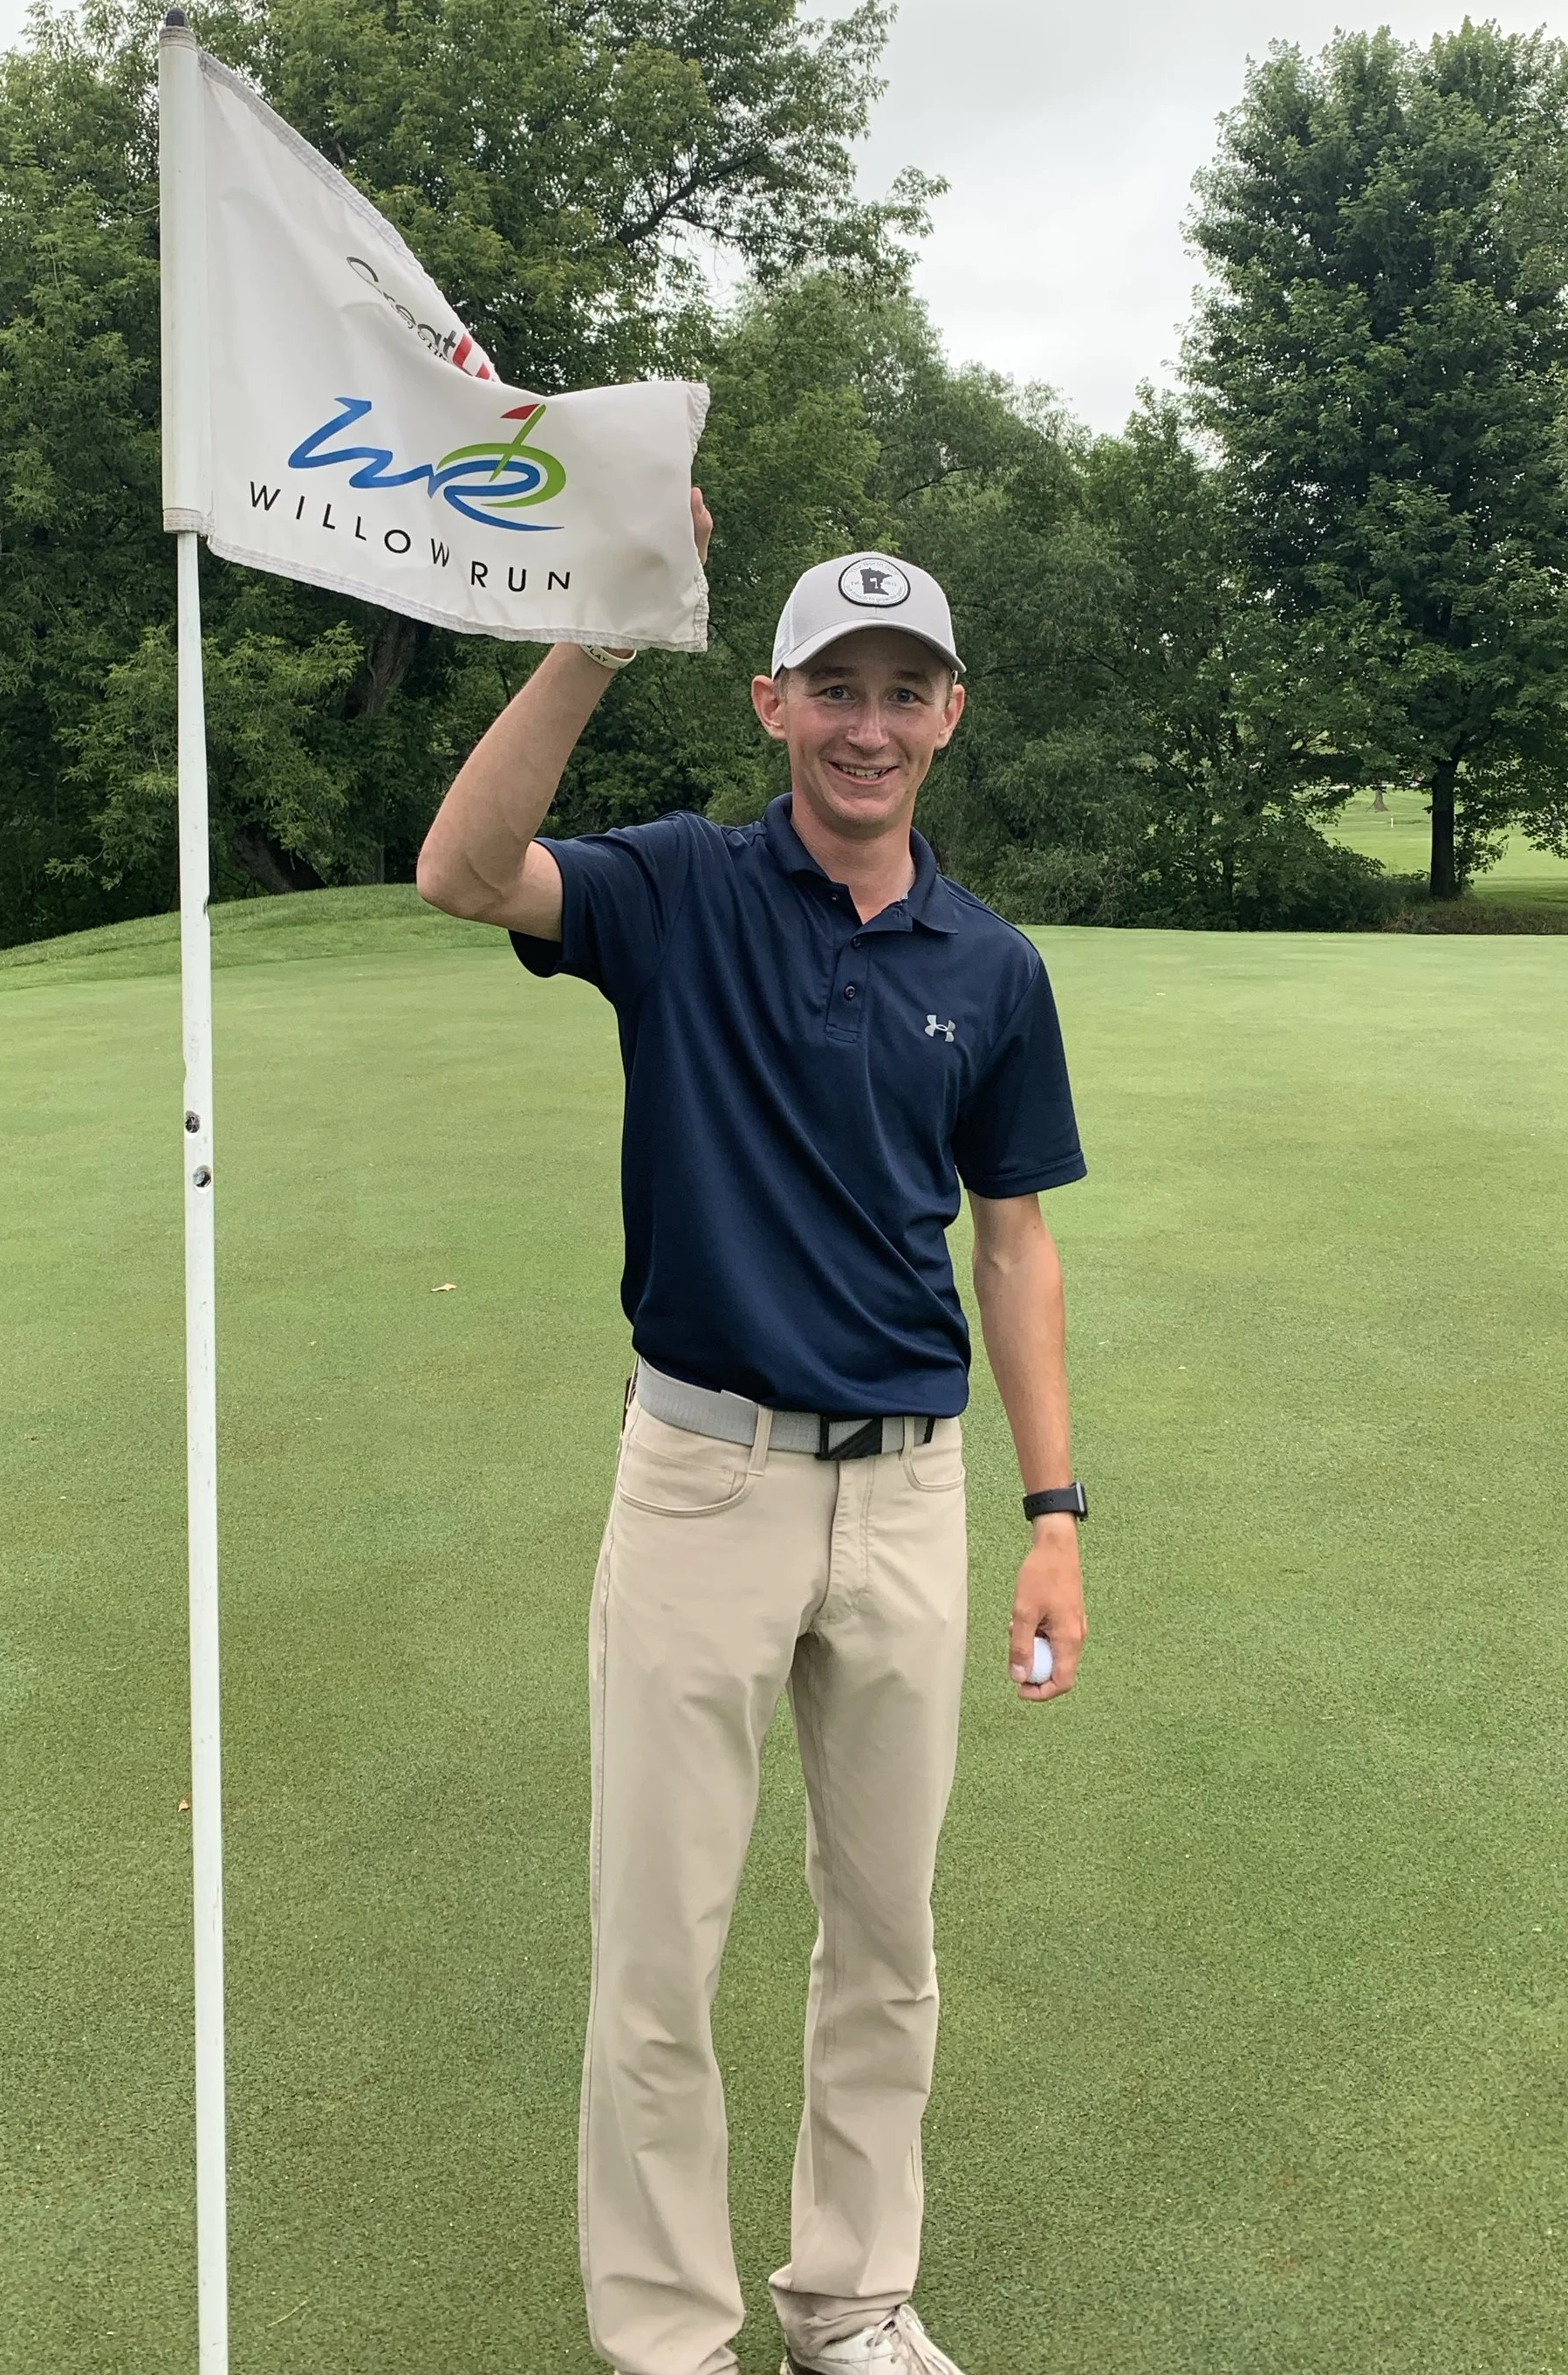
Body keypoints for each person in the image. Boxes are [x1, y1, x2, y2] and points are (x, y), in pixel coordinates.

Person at [416, 511, 1089, 2375]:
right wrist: (589, 634)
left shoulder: (990, 964)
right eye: (832, 692)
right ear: (769, 701)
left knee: (886, 1941)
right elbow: (464, 871)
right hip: (701, 1475)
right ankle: (664, 2339)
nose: (864, 728)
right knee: (660, 1951)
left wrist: (1053, 1512)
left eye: (901, 693)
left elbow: (1011, 1237)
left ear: (946, 712)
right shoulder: (677, 891)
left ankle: (851, 2300)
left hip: (908, 1497)